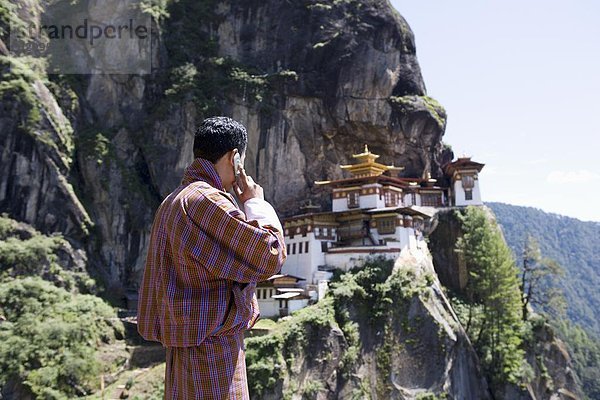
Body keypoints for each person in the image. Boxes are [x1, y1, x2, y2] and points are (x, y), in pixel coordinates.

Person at [137, 117, 287, 399]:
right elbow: (270, 255)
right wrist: (255, 202)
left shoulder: (171, 201)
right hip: (213, 354)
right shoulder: (205, 200)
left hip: (183, 350)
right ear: (235, 158)